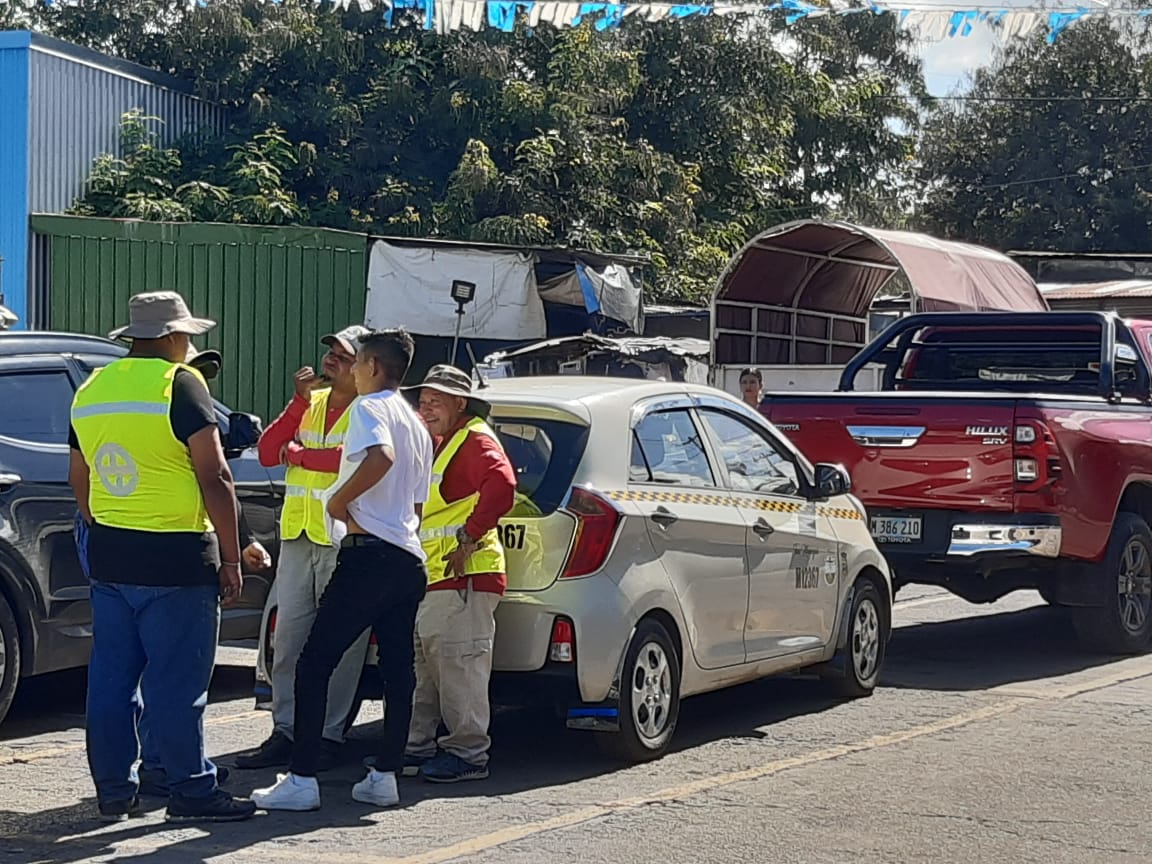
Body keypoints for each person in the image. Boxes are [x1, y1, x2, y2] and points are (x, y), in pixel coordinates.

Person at [68, 291, 256, 823]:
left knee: (110, 680)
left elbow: (79, 475)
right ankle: (191, 790)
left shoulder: (92, 387)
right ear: (174, 338)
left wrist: (103, 523)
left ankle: (113, 789)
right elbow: (215, 473)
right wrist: (232, 556)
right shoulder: (181, 383)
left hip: (111, 557)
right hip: (176, 560)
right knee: (176, 684)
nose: (190, 344)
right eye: (188, 336)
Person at [253, 329, 433, 812]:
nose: (347, 369)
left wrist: (340, 499)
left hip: (368, 553)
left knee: (315, 661)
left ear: (373, 366)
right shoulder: (415, 422)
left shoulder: (370, 407)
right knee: (398, 670)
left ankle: (302, 778)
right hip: (407, 556)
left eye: (355, 362)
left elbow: (381, 457)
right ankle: (385, 775)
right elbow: (417, 501)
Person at [236, 325, 370, 772]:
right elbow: (270, 451)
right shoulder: (310, 402)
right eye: (330, 351)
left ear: (364, 367)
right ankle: (286, 730)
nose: (332, 359)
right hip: (298, 537)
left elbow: (350, 460)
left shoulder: (369, 410)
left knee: (341, 645)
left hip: (344, 539)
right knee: (289, 639)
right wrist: (296, 401)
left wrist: (301, 454)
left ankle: (330, 734)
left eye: (343, 355)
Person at [402, 365, 516, 783]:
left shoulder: (473, 439)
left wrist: (469, 536)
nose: (427, 408)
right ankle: (415, 747)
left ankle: (468, 753)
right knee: (428, 671)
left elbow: (502, 486)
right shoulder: (445, 442)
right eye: (424, 400)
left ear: (460, 404)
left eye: (437, 401)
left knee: (456, 667)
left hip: (463, 574)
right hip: (437, 575)